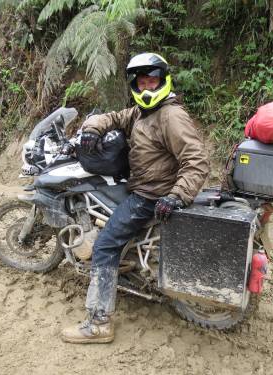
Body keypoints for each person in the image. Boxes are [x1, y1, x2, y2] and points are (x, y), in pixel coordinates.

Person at [61, 52, 209, 344]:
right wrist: (91, 130)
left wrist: (177, 194)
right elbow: (114, 117)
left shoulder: (170, 115)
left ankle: (99, 323)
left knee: (104, 246)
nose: (146, 89)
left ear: (163, 81)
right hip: (143, 186)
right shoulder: (143, 112)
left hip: (150, 195)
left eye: (152, 81)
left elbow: (197, 159)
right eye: (141, 83)